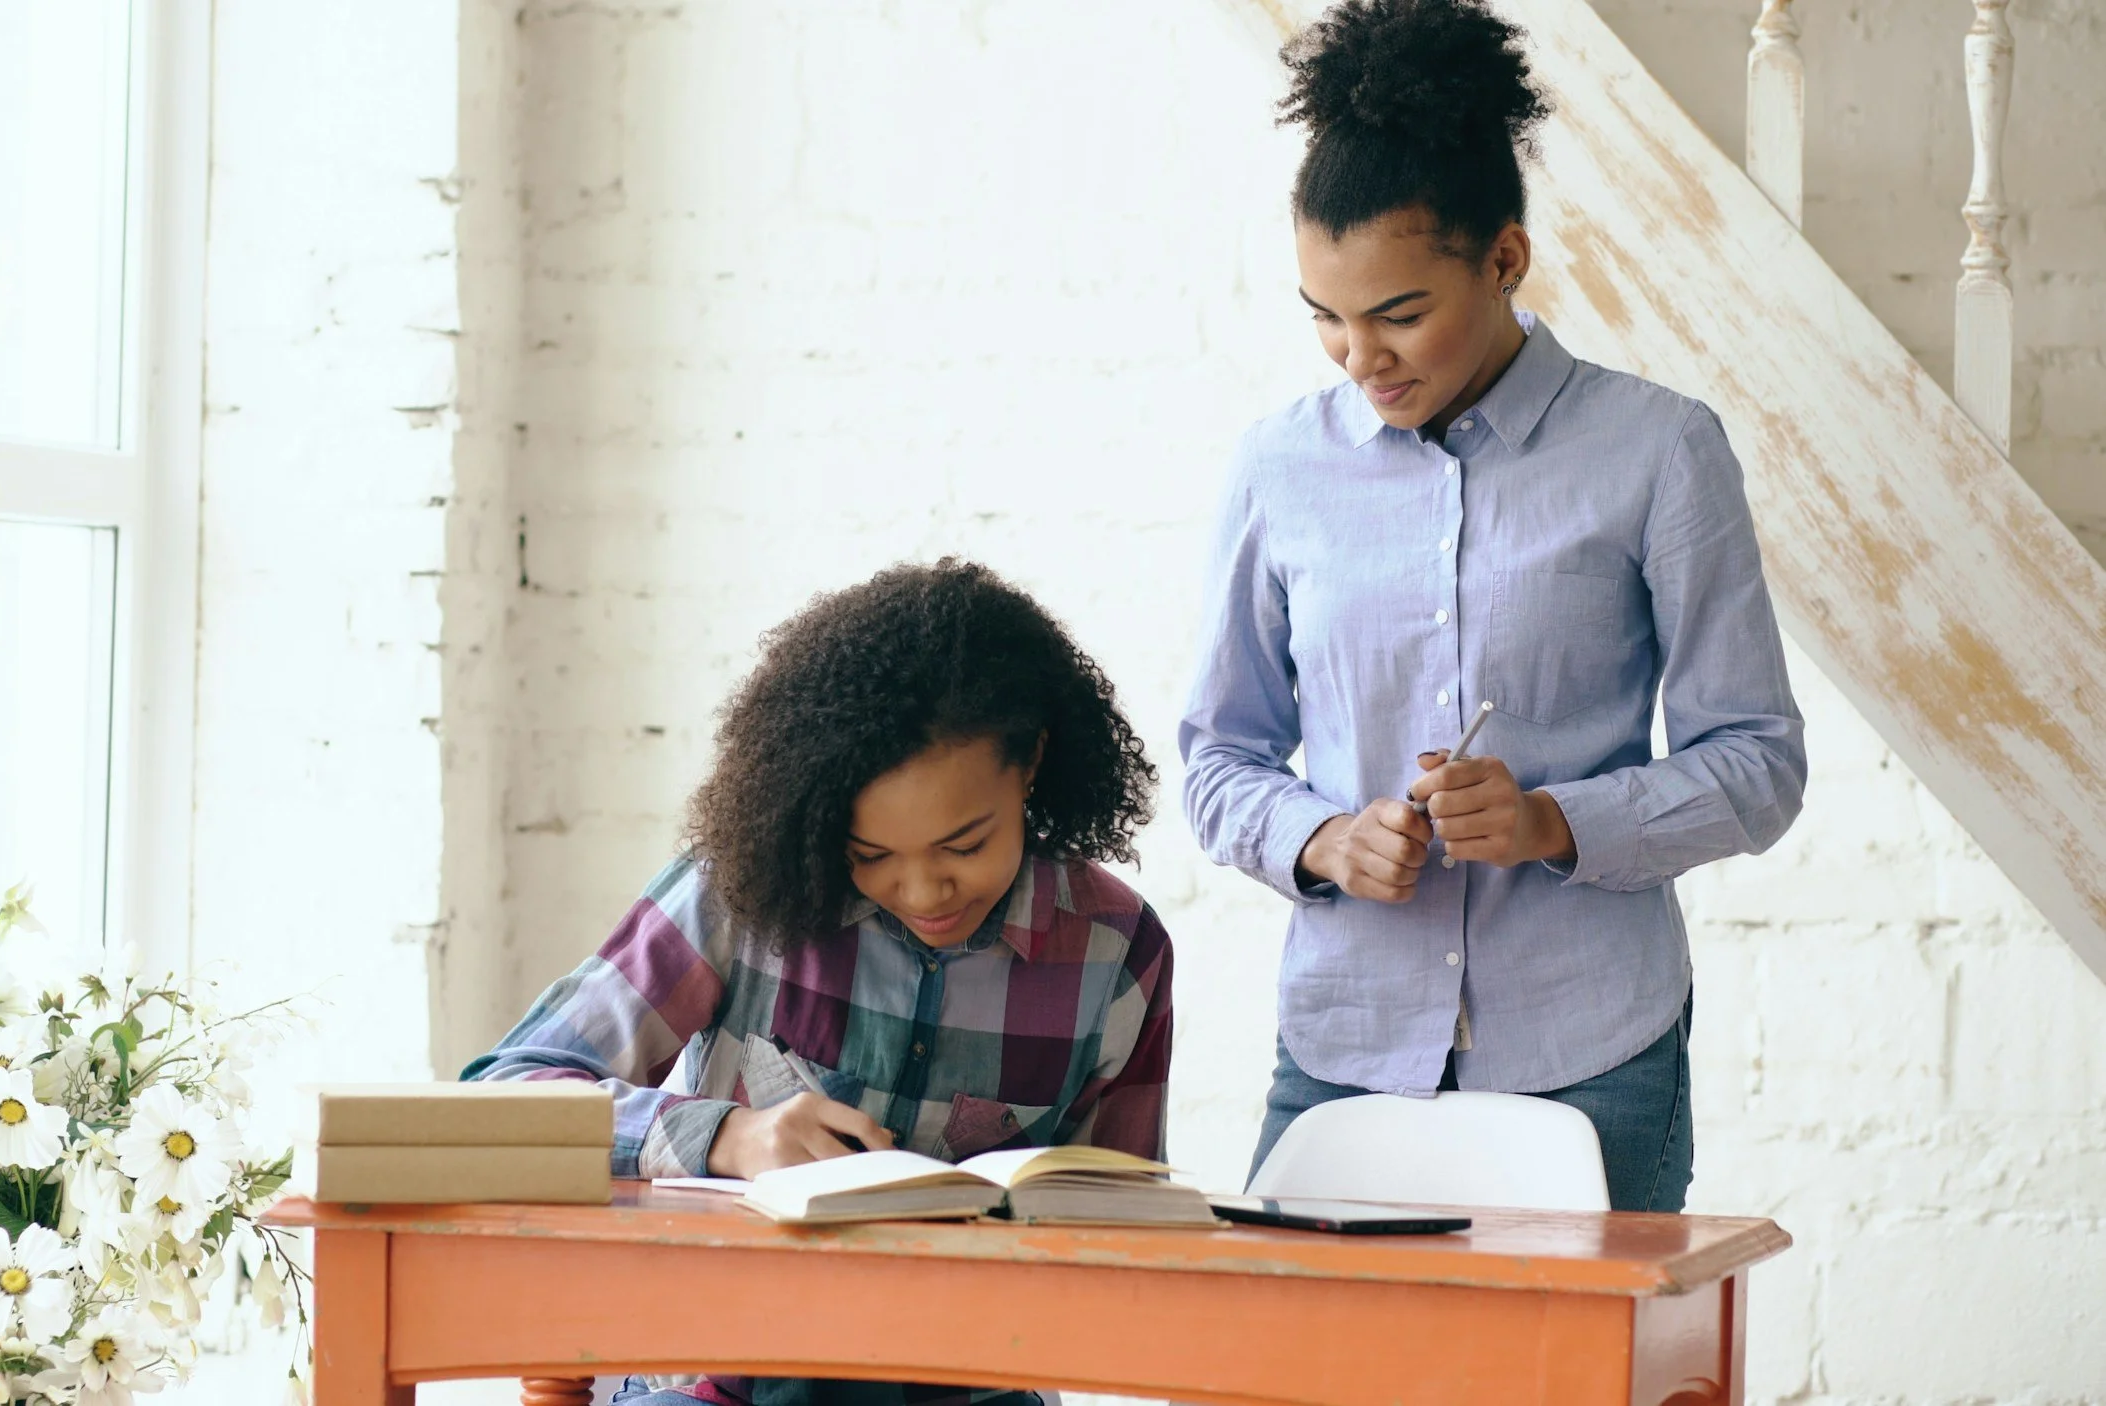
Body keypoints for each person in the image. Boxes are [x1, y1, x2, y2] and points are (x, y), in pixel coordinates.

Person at [1180, 0, 1806, 1213]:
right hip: (1346, 1050)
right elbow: (1218, 755)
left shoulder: (1661, 452)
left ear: (1504, 260)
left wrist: (1547, 822)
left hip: (1594, 1057)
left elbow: (1760, 763)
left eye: (1399, 313)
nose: (1360, 357)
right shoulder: (1278, 468)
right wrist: (1322, 838)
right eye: (1324, 315)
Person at [466, 559, 1174, 1406]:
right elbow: (500, 1098)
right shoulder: (737, 895)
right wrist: (724, 1138)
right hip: (716, 1387)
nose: (922, 893)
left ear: (1032, 764)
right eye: (871, 856)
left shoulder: (1115, 952)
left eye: (963, 845)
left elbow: (1122, 1227)